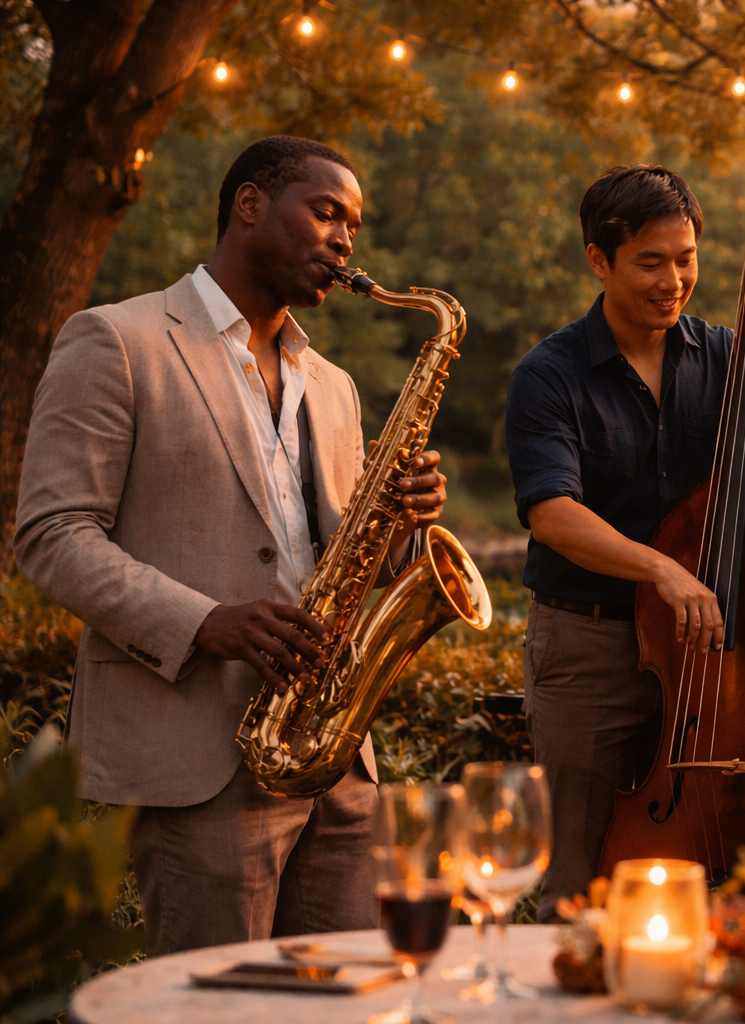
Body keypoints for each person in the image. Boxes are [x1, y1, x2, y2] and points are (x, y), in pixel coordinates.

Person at [14, 136, 448, 954]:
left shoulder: (335, 385)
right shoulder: (115, 339)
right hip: (195, 755)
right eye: (326, 213)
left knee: (347, 1006)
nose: (347, 241)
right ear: (250, 204)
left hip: (335, 758)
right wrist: (204, 620)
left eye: (354, 225)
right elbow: (50, 536)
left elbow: (351, 567)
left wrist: (403, 525)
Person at [505, 164, 745, 919]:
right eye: (651, 262)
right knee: (580, 877)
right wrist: (662, 570)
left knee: (701, 868)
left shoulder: (730, 356)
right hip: (592, 648)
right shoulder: (549, 373)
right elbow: (551, 513)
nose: (674, 280)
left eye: (687, 259)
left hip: (713, 651)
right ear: (600, 261)